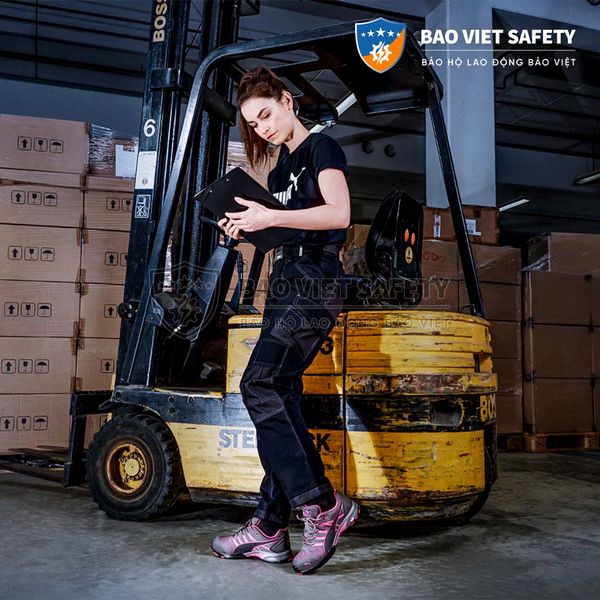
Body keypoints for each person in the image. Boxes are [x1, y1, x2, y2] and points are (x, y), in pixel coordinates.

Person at [211, 66, 358, 575]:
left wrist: (269, 216)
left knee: (260, 384)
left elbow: (338, 214)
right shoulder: (278, 173)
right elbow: (287, 230)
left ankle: (322, 506)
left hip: (317, 283)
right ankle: (271, 527)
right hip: (286, 284)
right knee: (281, 396)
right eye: (253, 124)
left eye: (267, 114)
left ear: (287, 101)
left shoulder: (322, 148)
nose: (263, 128)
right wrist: (246, 227)